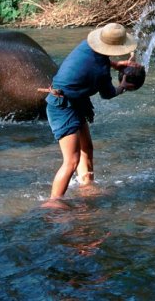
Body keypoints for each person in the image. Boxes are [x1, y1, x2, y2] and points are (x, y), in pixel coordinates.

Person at [42, 23, 144, 208]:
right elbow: (108, 94)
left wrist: (116, 64)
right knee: (71, 161)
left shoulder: (86, 45)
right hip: (62, 106)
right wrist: (123, 86)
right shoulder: (100, 71)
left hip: (75, 100)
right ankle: (53, 202)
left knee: (87, 148)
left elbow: (94, 61)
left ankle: (86, 185)